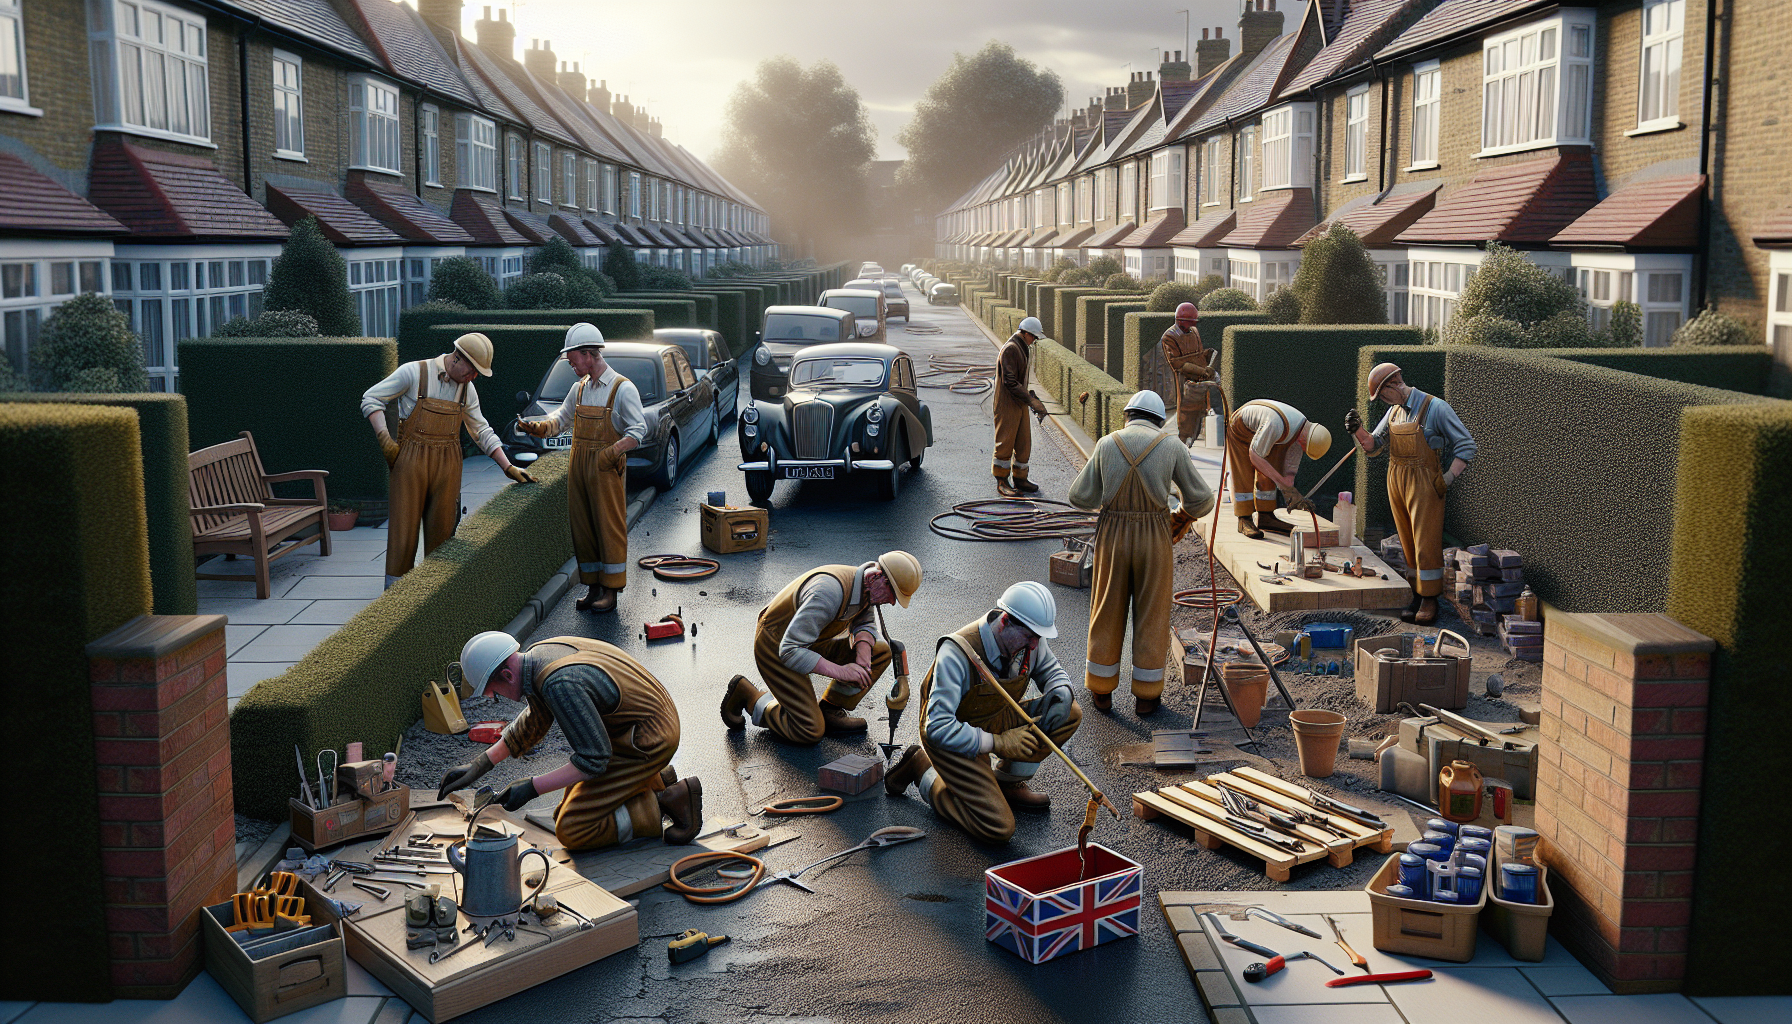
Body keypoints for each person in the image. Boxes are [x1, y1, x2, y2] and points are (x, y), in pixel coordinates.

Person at [435, 631, 702, 850]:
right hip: (636, 727)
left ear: (507, 675)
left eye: (494, 691)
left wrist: (531, 787)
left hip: (647, 741)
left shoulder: (558, 683)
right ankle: (656, 778)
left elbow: (593, 760)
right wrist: (480, 765)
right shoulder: (540, 655)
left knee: (573, 828)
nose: (495, 698)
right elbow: (535, 719)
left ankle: (667, 800)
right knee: (563, 809)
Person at [884, 582, 1080, 844]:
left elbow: (1051, 670)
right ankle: (922, 768)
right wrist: (998, 743)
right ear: (1005, 622)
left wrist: (1062, 690)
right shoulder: (956, 654)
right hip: (953, 735)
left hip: (996, 714)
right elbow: (937, 727)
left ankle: (1007, 783)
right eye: (1030, 636)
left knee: (1069, 713)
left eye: (1039, 637)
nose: (1035, 644)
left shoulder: (1030, 641)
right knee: (998, 828)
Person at [1069, 391, 1216, 715]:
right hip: (1155, 534)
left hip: (1113, 534)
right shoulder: (1171, 446)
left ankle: (1101, 690)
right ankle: (1147, 696)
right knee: (1152, 614)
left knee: (1106, 609)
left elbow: (1079, 496)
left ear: (1128, 415)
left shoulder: (1108, 443)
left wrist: (1110, 497)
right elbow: (1203, 500)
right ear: (1158, 420)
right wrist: (1181, 515)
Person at [361, 333, 533, 587]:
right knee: (403, 537)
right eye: (472, 370)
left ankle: (435, 595)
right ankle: (394, 597)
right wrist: (385, 439)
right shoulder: (413, 373)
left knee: (443, 534)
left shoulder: (467, 390)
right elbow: (371, 398)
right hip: (409, 462)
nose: (473, 376)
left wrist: (507, 466)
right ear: (457, 358)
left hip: (448, 465)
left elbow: (481, 431)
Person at [721, 552, 922, 745]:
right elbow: (790, 651)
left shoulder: (865, 586)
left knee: (879, 651)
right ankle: (750, 697)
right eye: (893, 594)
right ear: (876, 578)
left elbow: (864, 619)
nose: (893, 602)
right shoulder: (828, 592)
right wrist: (842, 672)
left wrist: (862, 655)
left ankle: (830, 709)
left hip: (811, 640)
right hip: (776, 645)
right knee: (808, 730)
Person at [515, 324, 647, 613]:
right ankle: (593, 587)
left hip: (605, 470)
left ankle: (611, 591)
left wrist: (609, 454)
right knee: (583, 528)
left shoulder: (621, 389)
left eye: (573, 358)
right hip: (579, 468)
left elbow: (638, 431)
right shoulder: (580, 388)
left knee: (608, 528)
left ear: (590, 354)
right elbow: (559, 420)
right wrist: (534, 427)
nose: (570, 364)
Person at [1348, 362, 1477, 625]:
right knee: (1407, 541)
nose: (1384, 400)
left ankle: (1430, 598)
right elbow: (1373, 446)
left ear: (1394, 384)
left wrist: (1446, 479)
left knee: (1425, 542)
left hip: (1424, 481)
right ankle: (1416, 594)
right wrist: (1357, 430)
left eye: (1384, 394)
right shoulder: (1394, 411)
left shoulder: (1435, 407)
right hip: (1396, 478)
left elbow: (1466, 445)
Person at [1225, 398, 1332, 539]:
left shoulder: (1302, 432)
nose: (1303, 450)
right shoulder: (1275, 425)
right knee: (1243, 471)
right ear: (1306, 441)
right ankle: (1244, 518)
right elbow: (1255, 455)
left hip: (1268, 430)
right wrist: (1281, 483)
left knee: (1272, 468)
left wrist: (1291, 492)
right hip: (1241, 428)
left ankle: (1266, 517)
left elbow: (1289, 471)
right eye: (1305, 448)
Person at [992, 316, 1049, 495]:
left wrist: (1030, 396)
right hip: (1007, 404)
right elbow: (1009, 381)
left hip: (1019, 402)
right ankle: (1002, 481)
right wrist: (1030, 400)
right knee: (1005, 443)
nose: (1034, 341)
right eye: (1033, 337)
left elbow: (1018, 380)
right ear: (1024, 333)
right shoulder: (1011, 349)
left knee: (1024, 443)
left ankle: (1020, 479)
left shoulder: (1022, 347)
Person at [1159, 302, 1216, 444]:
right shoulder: (1169, 336)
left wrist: (1208, 361)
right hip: (1185, 381)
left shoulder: (1194, 332)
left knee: (1201, 409)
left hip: (1201, 380)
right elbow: (1177, 363)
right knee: (1186, 412)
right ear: (1181, 321)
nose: (1193, 326)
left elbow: (1198, 355)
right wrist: (1200, 370)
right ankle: (1183, 440)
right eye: (1190, 323)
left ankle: (1194, 436)